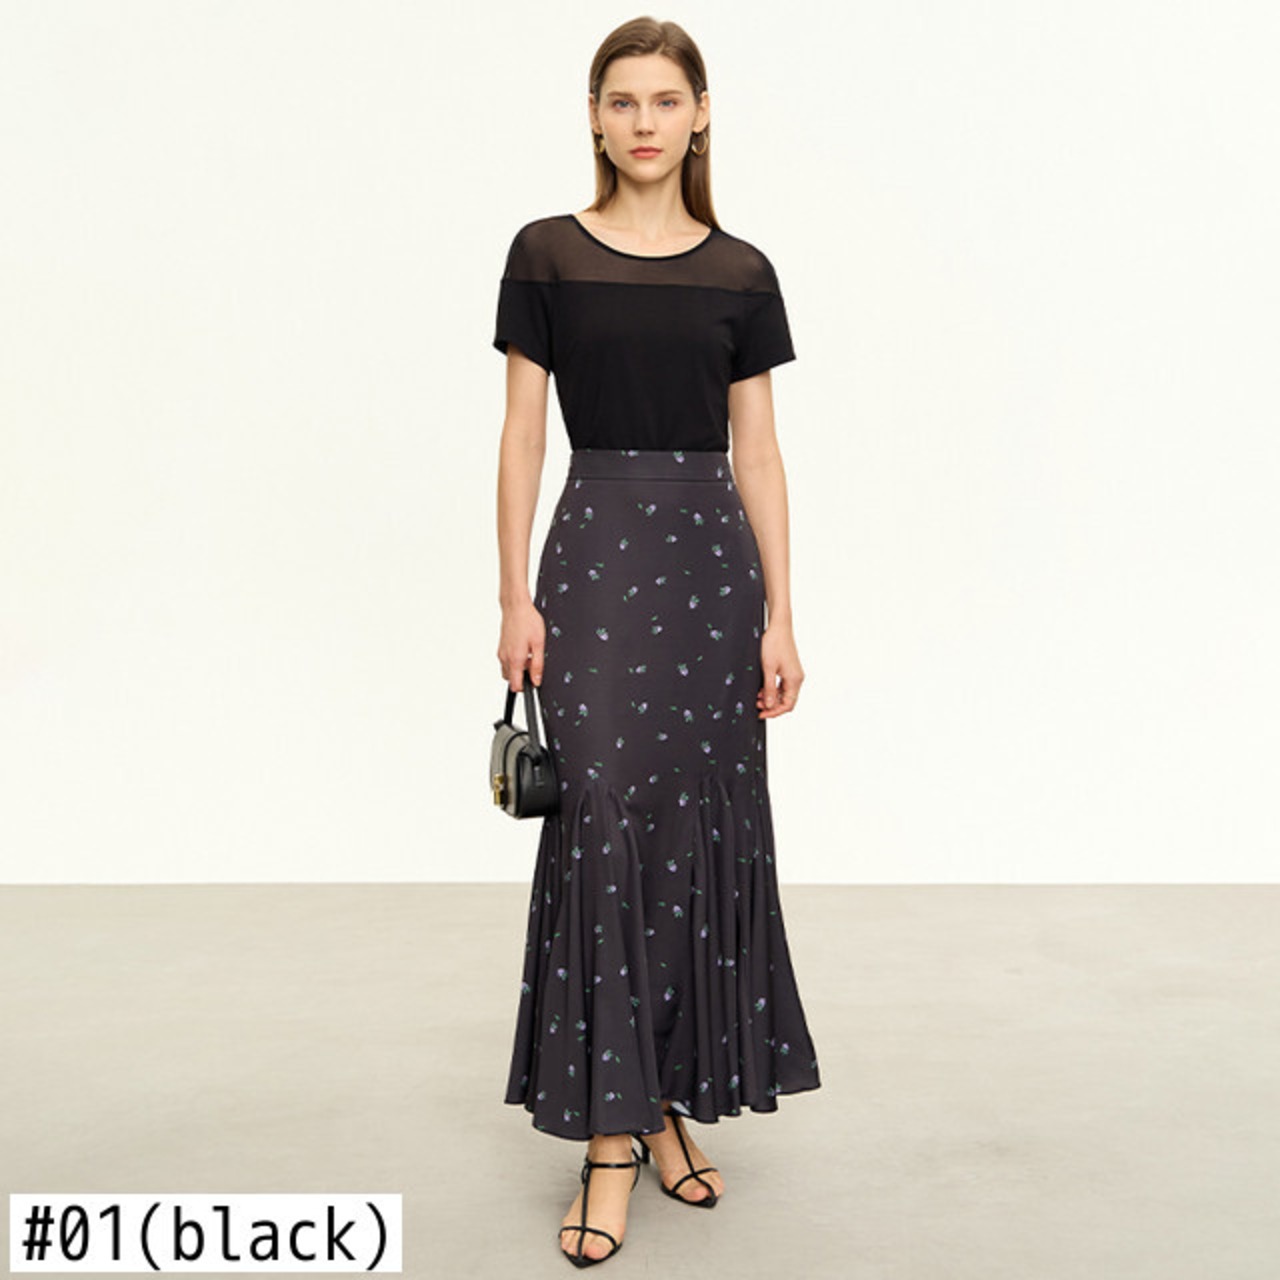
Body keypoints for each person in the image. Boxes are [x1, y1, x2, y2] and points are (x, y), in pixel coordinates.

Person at [493, 15, 821, 1268]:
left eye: (664, 100)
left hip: (707, 570)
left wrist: (780, 612)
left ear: (699, 116)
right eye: (621, 100)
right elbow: (523, 434)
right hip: (593, 559)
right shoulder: (544, 253)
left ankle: (665, 1100)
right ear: (592, 115)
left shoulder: (741, 271)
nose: (642, 122)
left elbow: (759, 452)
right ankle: (608, 1139)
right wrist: (513, 596)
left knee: (691, 832)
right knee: (601, 826)